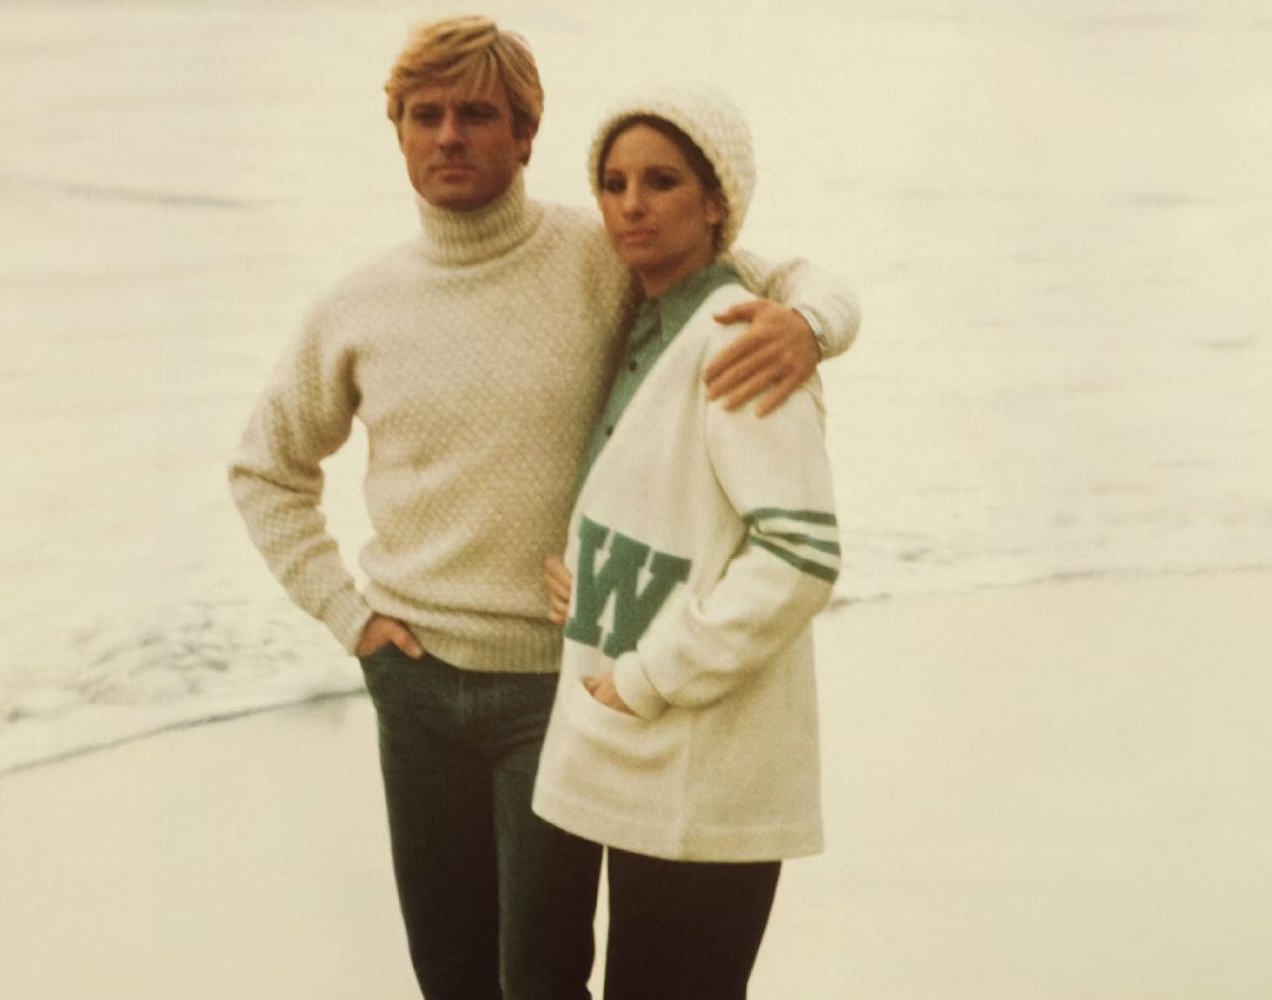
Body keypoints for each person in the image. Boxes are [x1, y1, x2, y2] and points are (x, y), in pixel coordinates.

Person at [228, 17, 860, 1000]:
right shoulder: (356, 307)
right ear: (394, 130)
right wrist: (346, 615)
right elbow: (264, 468)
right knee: (449, 977)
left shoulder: (602, 251)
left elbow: (764, 278)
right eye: (424, 115)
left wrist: (810, 325)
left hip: (553, 695)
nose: (448, 137)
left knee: (540, 979)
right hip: (415, 687)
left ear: (524, 135)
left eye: (476, 114)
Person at [532, 83, 839, 1000]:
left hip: (708, 756)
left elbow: (798, 554)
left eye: (661, 181)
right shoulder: (646, 321)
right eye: (613, 182)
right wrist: (593, 582)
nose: (631, 204)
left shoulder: (738, 336)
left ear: (716, 204)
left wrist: (643, 675)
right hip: (651, 752)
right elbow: (664, 505)